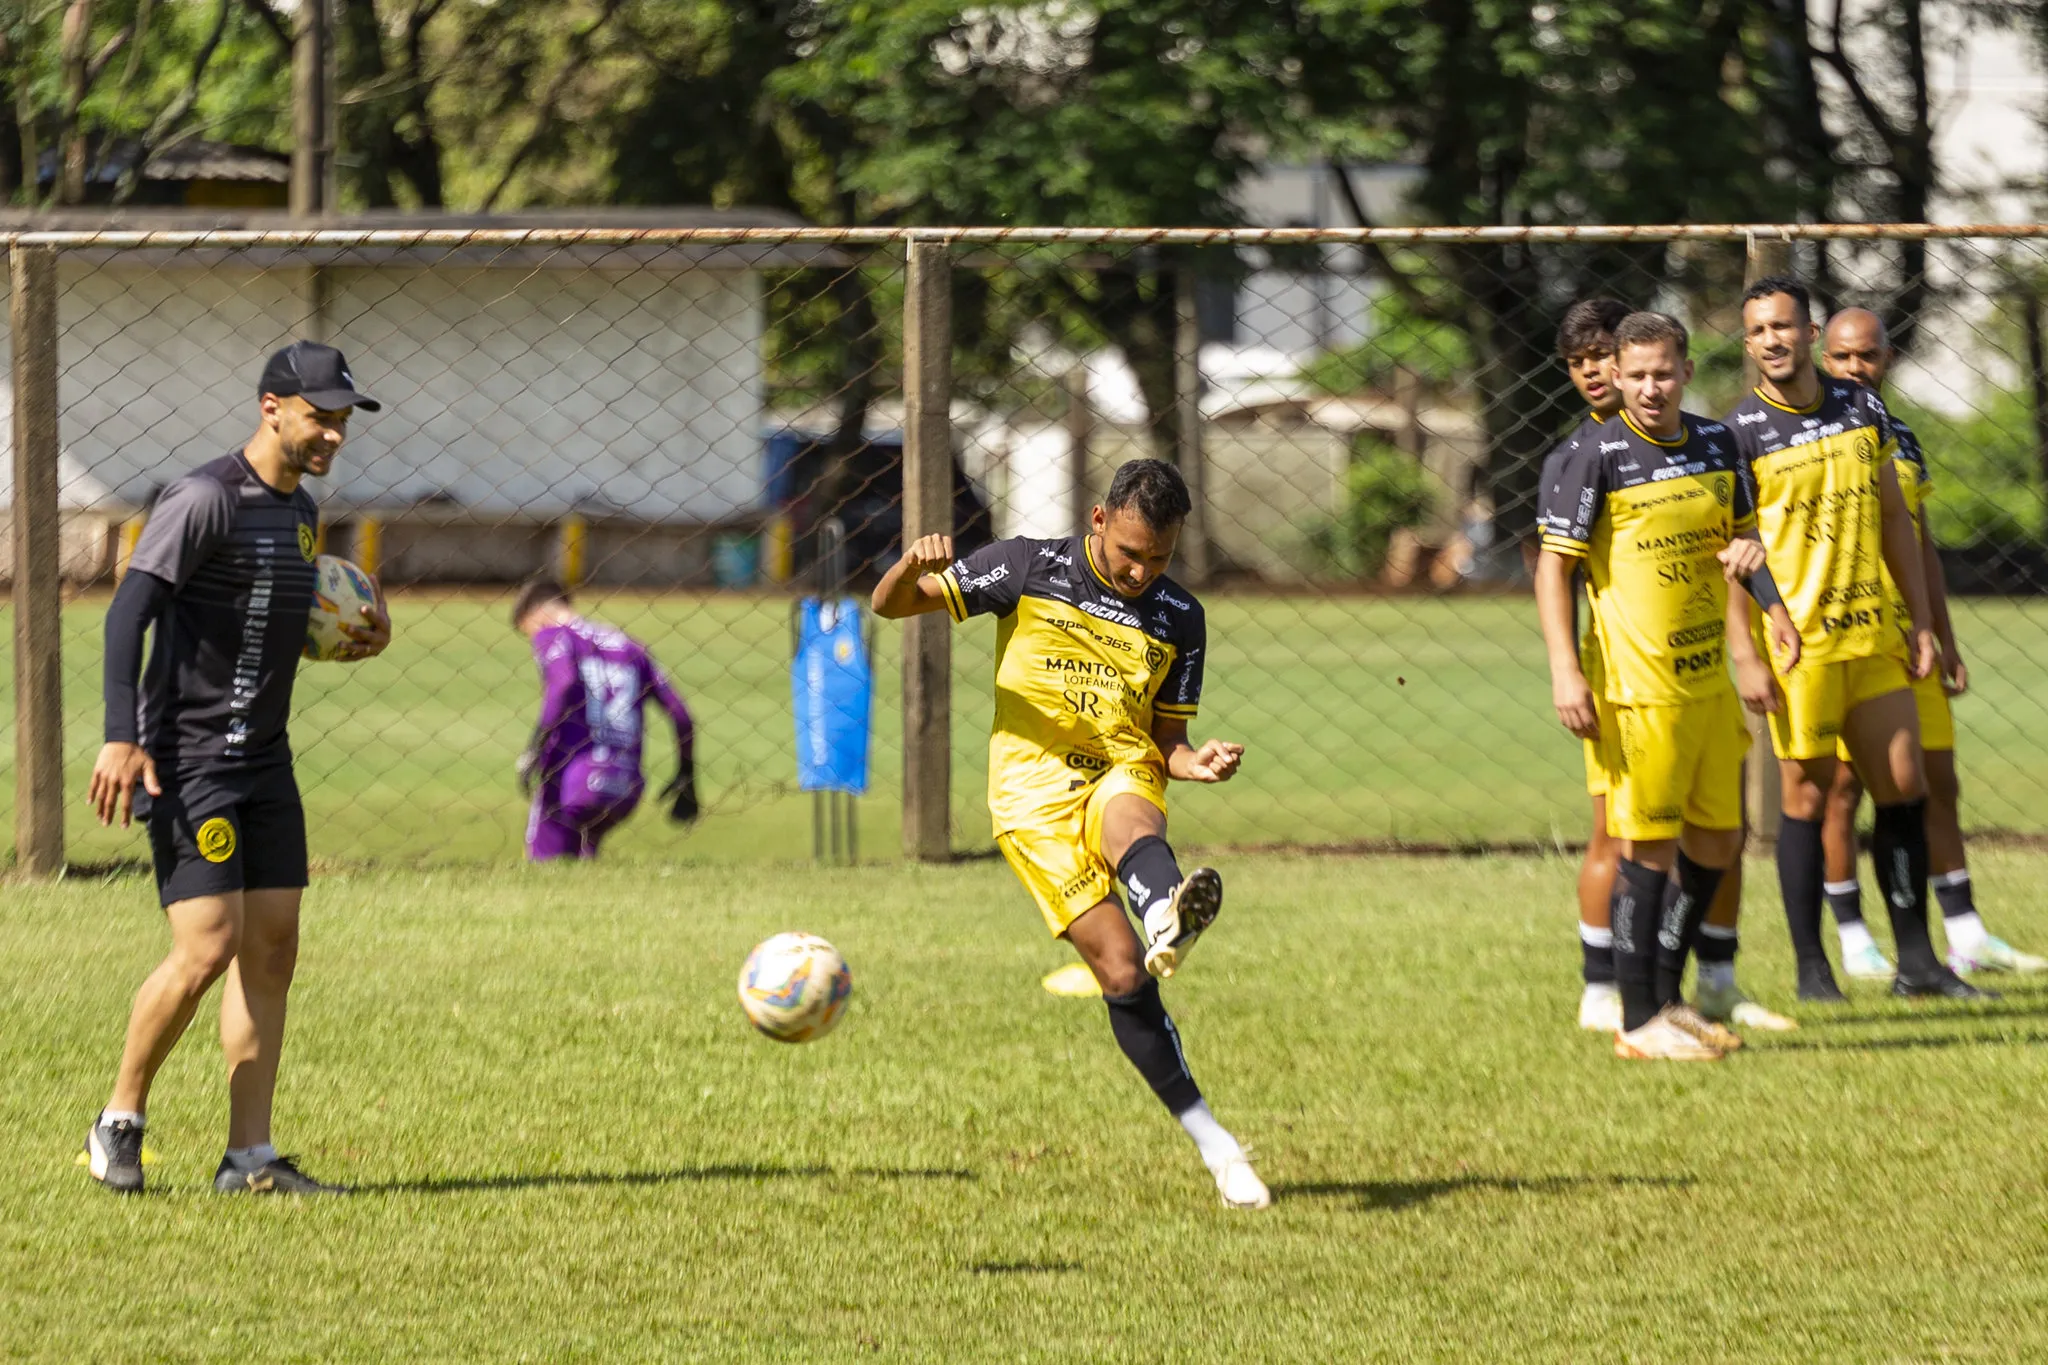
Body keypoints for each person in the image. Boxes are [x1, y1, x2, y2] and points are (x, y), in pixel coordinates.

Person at [871, 458, 1267, 1209]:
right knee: (1122, 975)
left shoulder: (1180, 616)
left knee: (1131, 809)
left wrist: (1197, 760)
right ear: (1098, 520)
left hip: (1119, 769)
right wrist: (908, 564)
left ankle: (1164, 913)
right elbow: (891, 606)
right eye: (1130, 553)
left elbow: (1166, 741)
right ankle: (1218, 1146)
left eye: (1160, 558)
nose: (1142, 571)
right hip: (1031, 802)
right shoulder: (1025, 566)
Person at [84, 341, 392, 1196]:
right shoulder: (204, 498)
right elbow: (129, 613)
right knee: (207, 945)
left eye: (340, 419)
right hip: (189, 760)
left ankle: (248, 1157)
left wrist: (359, 626)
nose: (332, 433)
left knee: (273, 946)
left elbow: (267, 613)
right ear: (271, 407)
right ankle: (119, 1119)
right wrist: (121, 734)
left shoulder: (303, 515)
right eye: (318, 416)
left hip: (266, 759)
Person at [1537, 311, 1802, 1060]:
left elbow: (1741, 543)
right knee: (1647, 848)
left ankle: (1669, 997)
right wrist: (1564, 668)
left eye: (1664, 372)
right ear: (1615, 377)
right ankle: (1636, 1018)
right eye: (1637, 374)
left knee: (1719, 838)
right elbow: (1554, 568)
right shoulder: (1593, 455)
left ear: (1686, 371)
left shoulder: (1718, 442)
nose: (1650, 387)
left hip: (1708, 682)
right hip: (1637, 688)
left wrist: (1773, 609)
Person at [1723, 278, 1985, 1002]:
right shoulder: (1737, 433)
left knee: (1905, 787)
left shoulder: (1861, 407)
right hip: (1799, 649)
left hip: (1874, 637)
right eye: (1758, 331)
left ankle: (1920, 965)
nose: (1772, 340)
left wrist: (1925, 621)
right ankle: (1814, 971)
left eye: (1783, 326)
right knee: (1805, 799)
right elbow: (1733, 552)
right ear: (1748, 345)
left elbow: (1898, 520)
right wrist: (1746, 652)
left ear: (1809, 334)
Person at [1814, 309, 2047, 979]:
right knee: (1844, 790)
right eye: (1842, 357)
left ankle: (1966, 932)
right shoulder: (1814, 435)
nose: (1856, 368)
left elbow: (1920, 544)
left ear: (1887, 358)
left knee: (1938, 781)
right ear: (1823, 359)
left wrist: (1941, 634)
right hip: (1848, 638)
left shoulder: (1901, 436)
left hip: (1909, 637)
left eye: (1868, 356)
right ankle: (1855, 936)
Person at [1535, 298, 1631, 1033]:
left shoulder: (1694, 442)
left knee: (1700, 832)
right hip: (1620, 673)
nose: (1591, 370)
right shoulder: (1577, 456)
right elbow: (1555, 571)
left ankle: (1703, 978)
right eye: (1577, 360)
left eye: (1601, 352)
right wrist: (1567, 671)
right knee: (1618, 831)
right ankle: (1599, 983)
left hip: (1690, 671)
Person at [511, 579, 698, 860]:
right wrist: (686, 774)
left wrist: (534, 747)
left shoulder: (552, 635)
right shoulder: (631, 646)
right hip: (625, 784)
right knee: (586, 861)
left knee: (548, 869)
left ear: (535, 614)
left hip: (572, 777)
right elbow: (681, 715)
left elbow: (563, 683)